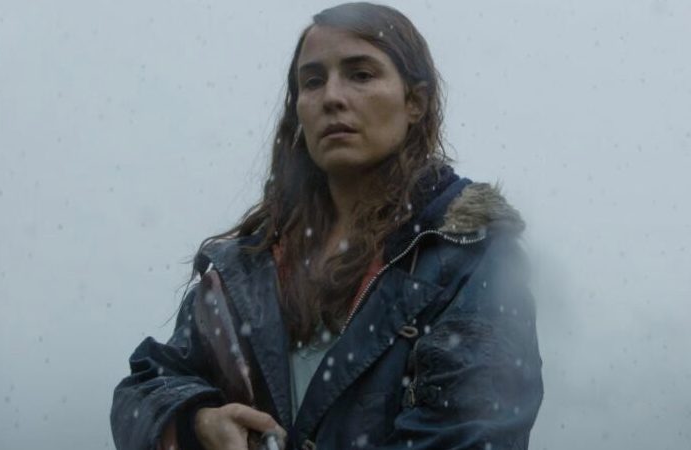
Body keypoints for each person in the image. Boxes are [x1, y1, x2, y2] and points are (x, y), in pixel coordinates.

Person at [110, 2, 544, 449]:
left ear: (415, 101)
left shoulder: (468, 254)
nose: (332, 97)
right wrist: (198, 421)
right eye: (313, 81)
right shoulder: (248, 265)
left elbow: (469, 434)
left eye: (361, 74)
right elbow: (145, 389)